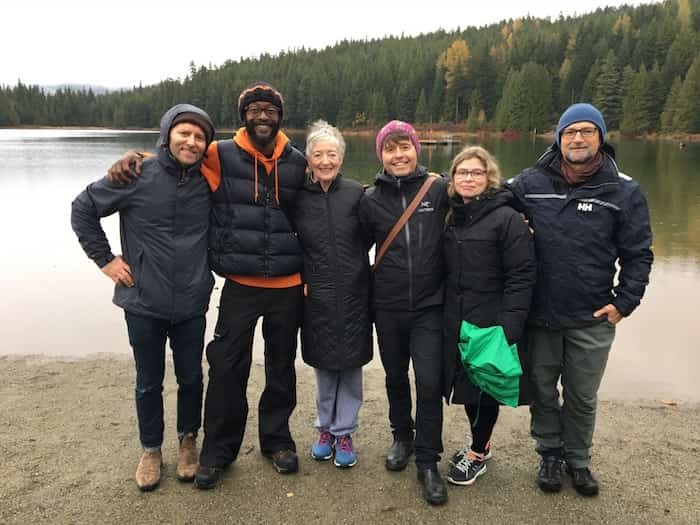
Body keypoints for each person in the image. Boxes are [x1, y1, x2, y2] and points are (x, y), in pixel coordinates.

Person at [107, 83, 308, 489]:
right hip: (239, 283)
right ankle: (217, 450)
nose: (263, 116)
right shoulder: (219, 154)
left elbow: (323, 195)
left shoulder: (298, 162)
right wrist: (137, 159)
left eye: (270, 110)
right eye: (255, 110)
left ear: (280, 116)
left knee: (281, 367)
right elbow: (179, 159)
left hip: (288, 283)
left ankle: (276, 441)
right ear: (243, 116)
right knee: (225, 368)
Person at [508, 103, 653, 496]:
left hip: (592, 316)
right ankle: (550, 454)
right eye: (570, 132)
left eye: (587, 131)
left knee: (582, 395)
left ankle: (579, 459)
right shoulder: (529, 181)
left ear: (601, 137)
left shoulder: (624, 190)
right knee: (541, 389)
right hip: (540, 314)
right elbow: (490, 202)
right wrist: (447, 186)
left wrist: (625, 302)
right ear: (558, 137)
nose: (577, 138)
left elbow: (638, 254)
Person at [71, 104, 216, 491]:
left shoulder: (209, 179)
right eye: (184, 132)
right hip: (143, 301)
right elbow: (83, 209)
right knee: (148, 381)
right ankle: (151, 449)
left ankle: (189, 441)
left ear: (207, 145)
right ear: (168, 133)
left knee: (191, 378)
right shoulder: (135, 175)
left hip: (191, 301)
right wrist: (106, 261)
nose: (191, 141)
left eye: (200, 137)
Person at [358, 120, 449, 505]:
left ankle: (428, 461)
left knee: (429, 382)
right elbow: (353, 248)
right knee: (395, 376)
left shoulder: (440, 189)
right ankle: (402, 437)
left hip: (431, 305)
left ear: (417, 150)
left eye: (405, 147)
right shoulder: (369, 199)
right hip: (388, 305)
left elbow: (487, 198)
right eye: (391, 149)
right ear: (381, 154)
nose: (399, 155)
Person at [442, 146, 536, 486]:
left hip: (491, 321)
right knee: (468, 389)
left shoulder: (507, 219)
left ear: (489, 177)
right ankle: (480, 445)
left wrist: (510, 325)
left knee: (484, 390)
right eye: (462, 172)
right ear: (452, 179)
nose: (469, 178)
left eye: (476, 173)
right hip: (458, 318)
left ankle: (478, 454)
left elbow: (522, 275)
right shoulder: (452, 214)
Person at [293, 120, 372, 468]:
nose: (326, 160)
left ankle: (345, 431)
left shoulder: (357, 193)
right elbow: (287, 241)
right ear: (308, 159)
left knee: (351, 365)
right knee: (324, 365)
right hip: (316, 294)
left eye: (332, 154)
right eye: (318, 154)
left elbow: (372, 234)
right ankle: (325, 428)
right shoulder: (297, 198)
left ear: (341, 157)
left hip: (355, 292)